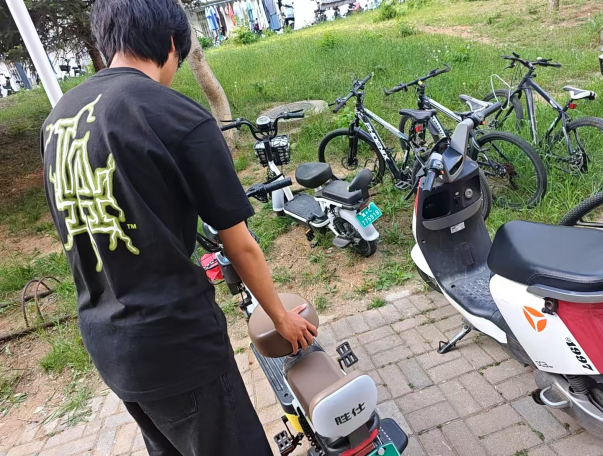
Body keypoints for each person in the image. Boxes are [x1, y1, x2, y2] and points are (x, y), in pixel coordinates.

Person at [40, 0, 317, 454]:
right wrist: (281, 318)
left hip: (109, 344)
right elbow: (240, 245)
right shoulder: (176, 115)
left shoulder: (58, 120)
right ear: (172, 43)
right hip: (176, 346)